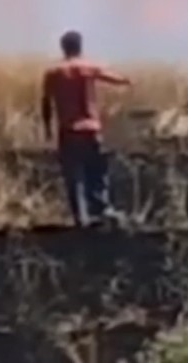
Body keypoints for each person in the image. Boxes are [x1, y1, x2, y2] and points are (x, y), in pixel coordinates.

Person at [41, 30, 131, 228]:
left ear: (63, 47)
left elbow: (46, 102)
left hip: (68, 130)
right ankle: (101, 212)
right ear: (80, 46)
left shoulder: (53, 72)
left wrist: (47, 128)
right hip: (90, 129)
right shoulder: (89, 67)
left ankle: (80, 219)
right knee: (96, 173)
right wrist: (127, 81)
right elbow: (115, 78)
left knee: (73, 177)